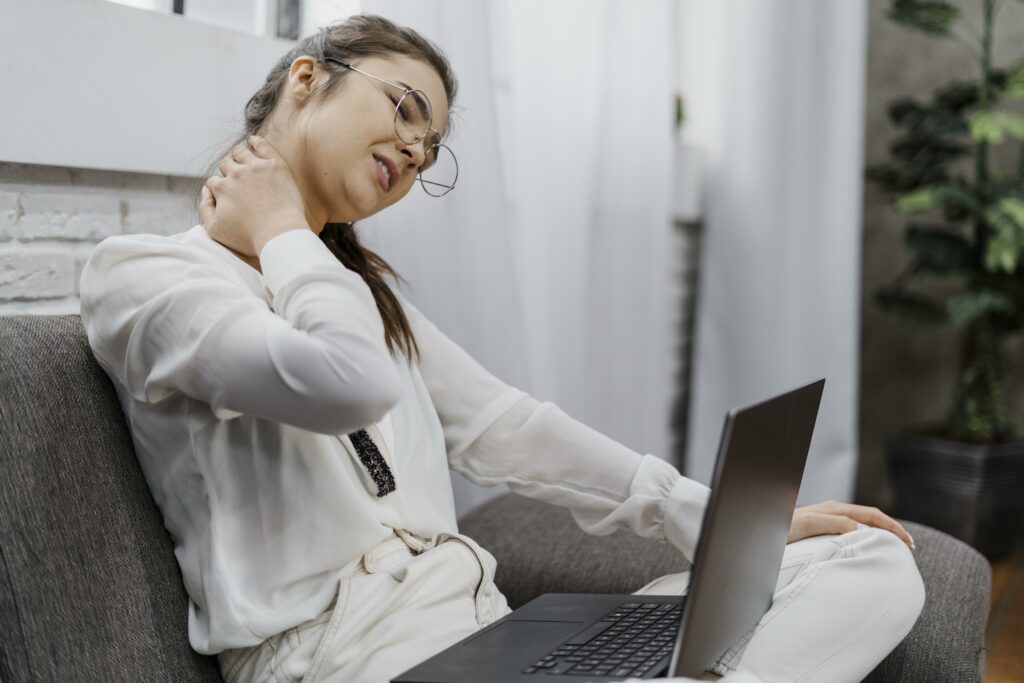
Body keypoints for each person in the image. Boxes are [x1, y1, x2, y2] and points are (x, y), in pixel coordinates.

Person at [78, 14, 924, 683]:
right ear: (307, 77)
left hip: (486, 641)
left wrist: (708, 517)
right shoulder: (145, 278)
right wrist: (279, 228)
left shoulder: (360, 292)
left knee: (869, 559)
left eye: (431, 147)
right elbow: (344, 381)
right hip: (345, 660)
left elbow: (503, 424)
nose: (415, 151)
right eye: (405, 111)